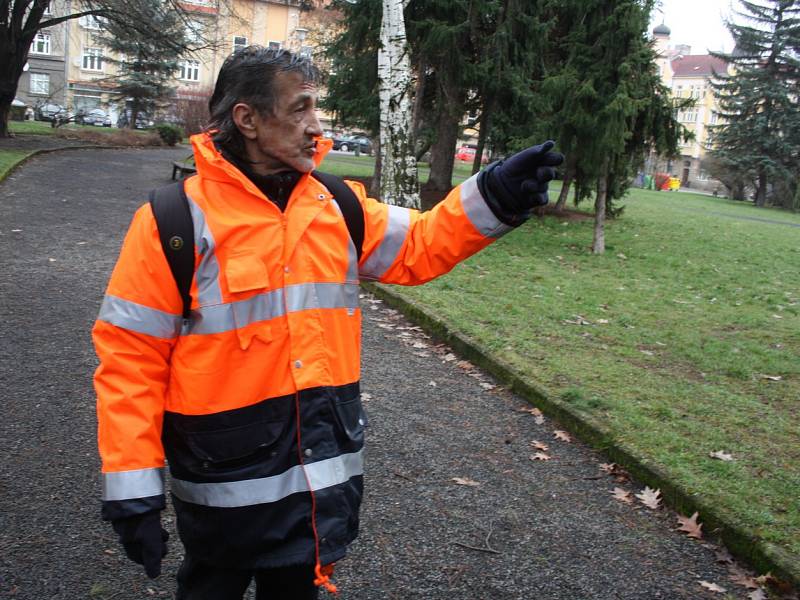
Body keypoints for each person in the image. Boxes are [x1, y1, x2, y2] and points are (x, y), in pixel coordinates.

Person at [93, 46, 563, 599]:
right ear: (247, 119)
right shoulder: (173, 221)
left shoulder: (337, 206)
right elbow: (131, 358)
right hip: (222, 486)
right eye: (300, 108)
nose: (316, 125)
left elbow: (420, 244)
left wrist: (495, 195)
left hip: (317, 476)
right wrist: (133, 488)